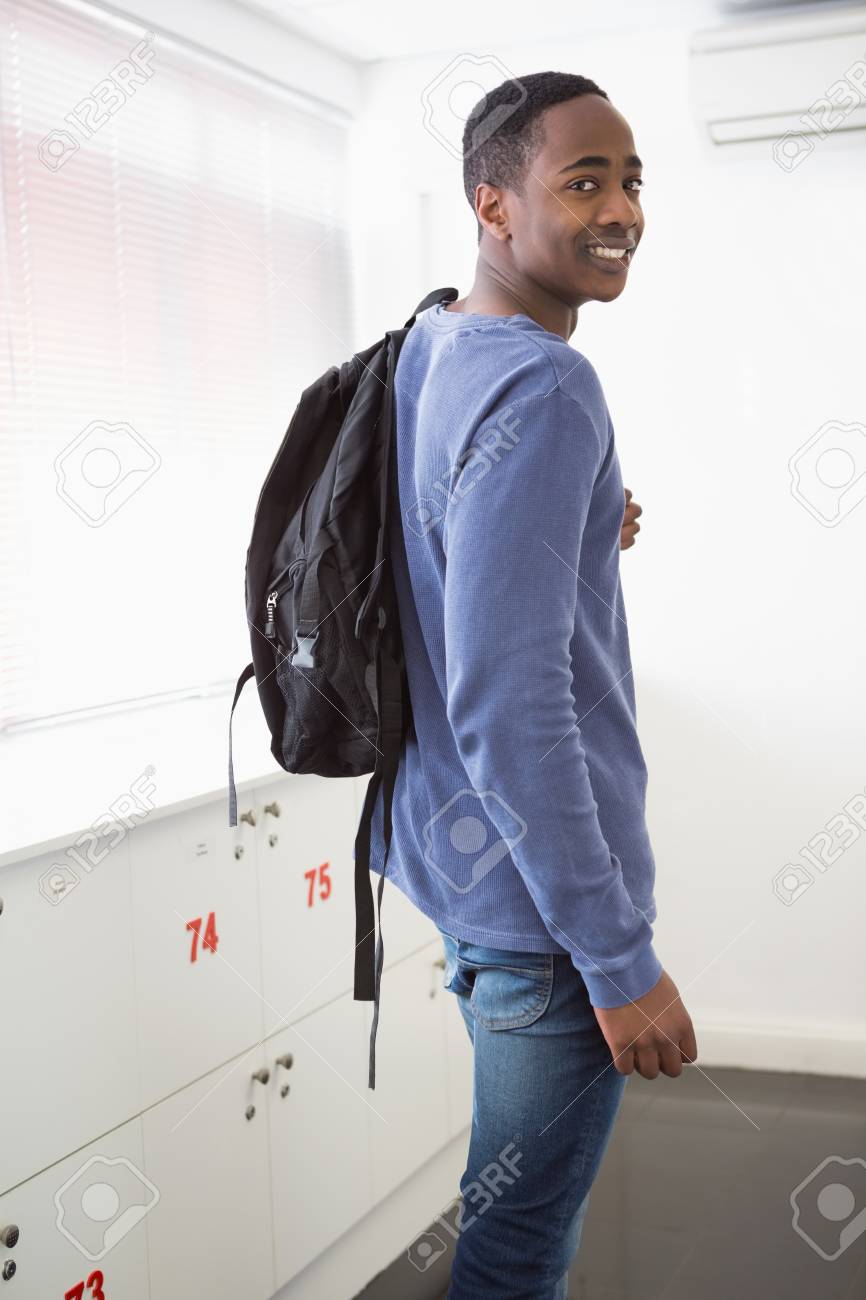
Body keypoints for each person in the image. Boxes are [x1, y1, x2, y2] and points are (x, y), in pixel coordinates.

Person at [367, 69, 698, 1299]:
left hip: (456, 871)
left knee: (505, 1232)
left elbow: (429, 548)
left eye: (630, 181)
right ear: (492, 204)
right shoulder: (547, 385)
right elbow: (511, 703)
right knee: (515, 1255)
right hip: (546, 924)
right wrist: (617, 958)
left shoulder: (428, 346)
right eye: (583, 181)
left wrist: (576, 523)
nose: (620, 211)